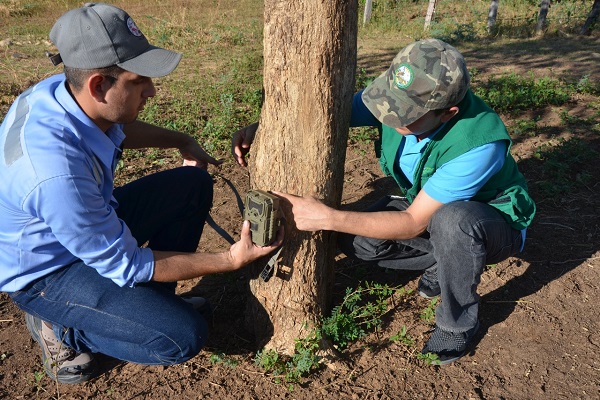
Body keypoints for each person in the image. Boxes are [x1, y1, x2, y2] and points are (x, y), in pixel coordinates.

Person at [0, 3, 283, 384]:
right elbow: (128, 264)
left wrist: (181, 139)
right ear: (99, 84)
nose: (152, 90)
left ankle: (146, 305)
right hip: (46, 272)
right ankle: (63, 327)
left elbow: (114, 127)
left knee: (192, 185)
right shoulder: (54, 173)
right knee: (181, 336)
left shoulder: (61, 92)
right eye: (139, 81)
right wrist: (229, 258)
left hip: (78, 226)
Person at [232, 39, 535, 365]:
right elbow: (328, 114)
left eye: (404, 114)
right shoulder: (394, 100)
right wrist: (262, 129)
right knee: (356, 239)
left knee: (453, 222)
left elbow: (413, 223)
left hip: (490, 221)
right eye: (388, 100)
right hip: (425, 205)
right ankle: (443, 260)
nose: (388, 115)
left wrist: (326, 217)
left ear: (448, 113)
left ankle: (456, 323)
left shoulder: (477, 144)